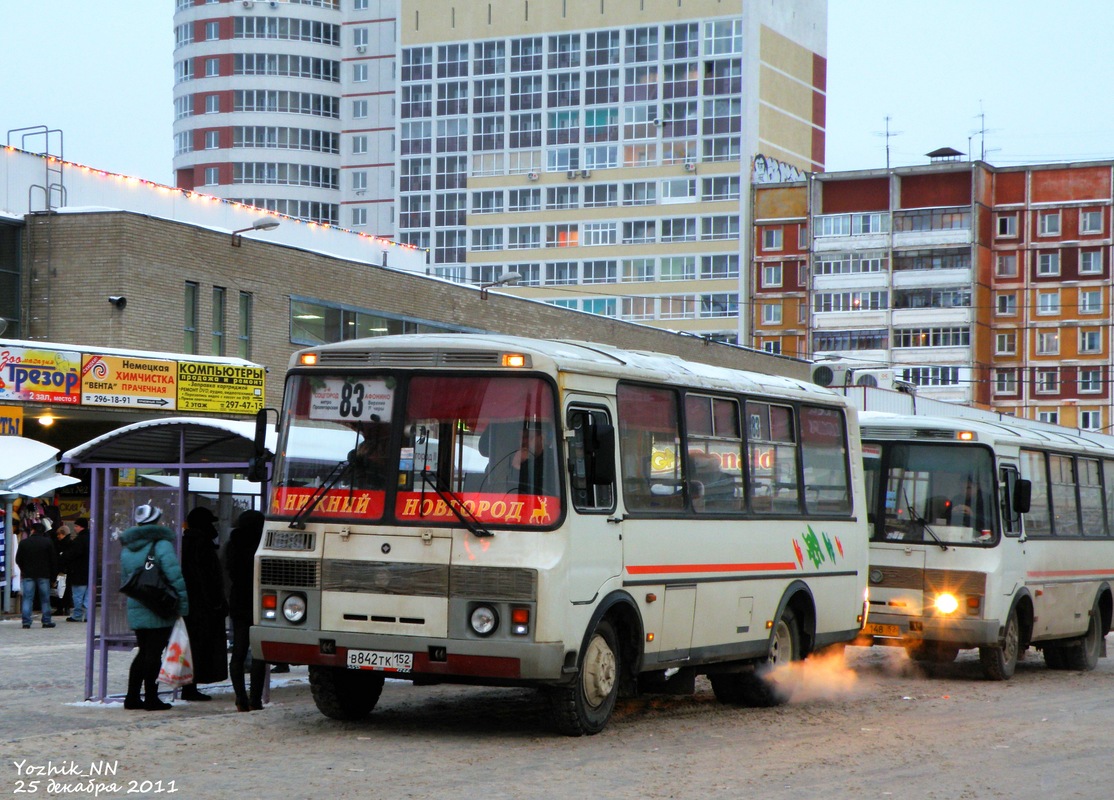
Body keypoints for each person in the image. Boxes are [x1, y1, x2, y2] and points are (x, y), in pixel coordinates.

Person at [120, 505, 189, 710]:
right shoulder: (162, 545)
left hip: (138, 604)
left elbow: (127, 578)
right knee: (154, 654)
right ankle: (151, 698)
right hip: (159, 606)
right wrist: (183, 606)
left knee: (143, 652)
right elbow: (174, 577)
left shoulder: (127, 547)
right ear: (157, 521)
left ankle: (132, 697)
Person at [179, 506, 229, 702]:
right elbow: (206, 577)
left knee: (191, 646)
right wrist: (216, 603)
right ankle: (190, 687)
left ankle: (188, 686)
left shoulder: (186, 542)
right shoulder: (202, 544)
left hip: (191, 604)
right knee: (199, 647)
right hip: (203, 607)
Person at [225, 509, 267, 711]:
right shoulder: (263, 544)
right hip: (260, 600)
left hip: (238, 599)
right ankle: (256, 699)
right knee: (259, 652)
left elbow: (229, 572)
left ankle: (241, 698)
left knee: (239, 651)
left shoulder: (233, 544)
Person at [15, 521, 58, 629]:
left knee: (27, 598)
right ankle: (47, 621)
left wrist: (24, 569)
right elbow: (53, 560)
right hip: (44, 574)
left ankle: (26, 621)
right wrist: (53, 576)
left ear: (32, 530)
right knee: (45, 598)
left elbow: (18, 559)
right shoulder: (48, 542)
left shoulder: (24, 543)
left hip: (28, 574)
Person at [65, 518, 91, 622]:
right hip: (90, 571)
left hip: (78, 572)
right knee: (88, 596)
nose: (74, 528)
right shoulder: (91, 538)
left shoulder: (78, 540)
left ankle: (77, 615)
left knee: (78, 596)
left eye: (76, 526)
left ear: (81, 527)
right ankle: (88, 615)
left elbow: (72, 555)